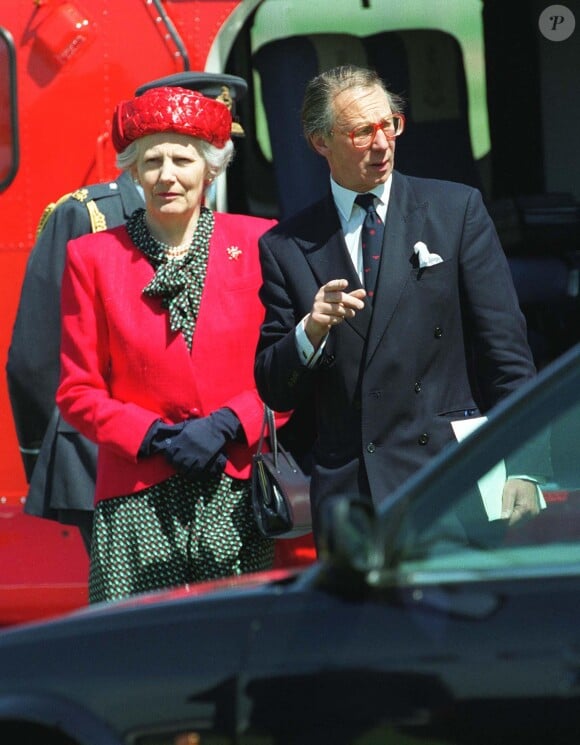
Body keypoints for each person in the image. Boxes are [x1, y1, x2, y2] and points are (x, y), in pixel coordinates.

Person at [254, 65, 543, 545]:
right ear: (320, 142)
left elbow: (506, 352)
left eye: (390, 124)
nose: (383, 143)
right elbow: (274, 388)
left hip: (453, 479)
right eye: (362, 132)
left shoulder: (457, 211)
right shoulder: (286, 245)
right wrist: (310, 332)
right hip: (352, 498)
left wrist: (527, 467)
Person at [55, 83, 289, 603]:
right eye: (151, 160)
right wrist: (156, 438)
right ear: (132, 172)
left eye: (182, 159)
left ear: (210, 168)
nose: (167, 175)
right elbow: (77, 391)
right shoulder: (92, 258)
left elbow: (288, 368)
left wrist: (230, 424)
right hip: (135, 496)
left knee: (234, 652)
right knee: (136, 660)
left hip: (236, 489)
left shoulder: (258, 242)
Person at [6, 72, 248, 553]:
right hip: (104, 460)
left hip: (208, 460)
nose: (172, 172)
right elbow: (35, 358)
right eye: (159, 155)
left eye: (191, 153)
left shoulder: (232, 234)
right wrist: (45, 458)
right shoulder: (85, 216)